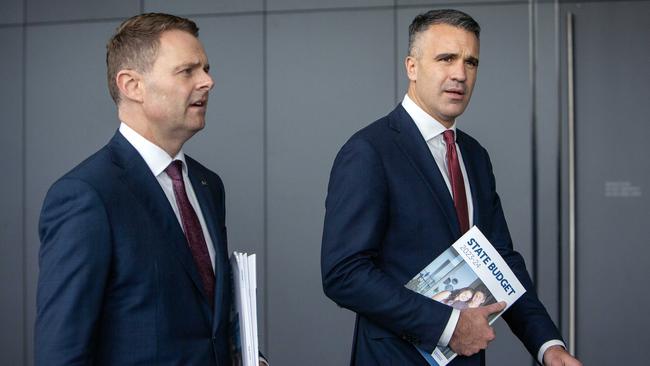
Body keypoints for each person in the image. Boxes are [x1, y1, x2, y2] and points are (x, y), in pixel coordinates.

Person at [321, 9, 581, 366]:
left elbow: (499, 260)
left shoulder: (474, 155)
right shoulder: (369, 151)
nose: (460, 74)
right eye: (446, 59)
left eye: (471, 62)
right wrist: (448, 326)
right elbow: (343, 274)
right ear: (411, 67)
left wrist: (547, 345)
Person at [35, 13, 266, 365]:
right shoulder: (87, 195)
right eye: (187, 71)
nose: (208, 81)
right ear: (132, 85)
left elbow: (211, 318)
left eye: (205, 68)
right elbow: (62, 353)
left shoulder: (207, 186)